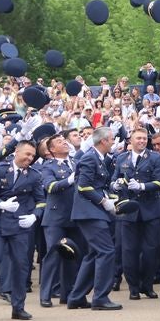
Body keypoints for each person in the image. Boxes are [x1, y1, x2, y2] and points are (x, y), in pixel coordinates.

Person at [0, 139, 43, 320]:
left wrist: (35, 215)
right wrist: (1, 204)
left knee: (21, 265)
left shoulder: (34, 175)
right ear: (17, 152)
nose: (30, 158)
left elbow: (41, 200)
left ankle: (18, 307)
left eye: (33, 156)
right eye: (27, 154)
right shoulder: (1, 169)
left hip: (20, 224)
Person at [67, 126, 123, 310]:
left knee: (94, 254)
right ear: (103, 141)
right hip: (89, 212)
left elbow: (97, 185)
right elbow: (83, 186)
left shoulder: (98, 158)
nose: (113, 142)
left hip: (93, 211)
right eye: (111, 139)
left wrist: (110, 195)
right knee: (106, 251)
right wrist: (103, 201)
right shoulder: (90, 158)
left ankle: (76, 296)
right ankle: (100, 297)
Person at [113, 128, 160, 300]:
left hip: (150, 209)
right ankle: (133, 287)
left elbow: (159, 182)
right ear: (130, 141)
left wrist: (142, 186)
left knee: (151, 250)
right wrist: (116, 185)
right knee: (128, 251)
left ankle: (147, 285)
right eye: (138, 138)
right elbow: (113, 180)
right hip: (129, 211)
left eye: (144, 138)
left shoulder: (155, 157)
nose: (142, 141)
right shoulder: (121, 158)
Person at [38, 129, 80, 308]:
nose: (64, 143)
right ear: (52, 150)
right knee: (54, 254)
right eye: (60, 142)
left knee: (72, 254)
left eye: (65, 140)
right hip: (55, 216)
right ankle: (45, 294)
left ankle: (68, 293)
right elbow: (50, 186)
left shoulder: (76, 162)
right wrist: (69, 181)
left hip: (75, 214)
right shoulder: (48, 165)